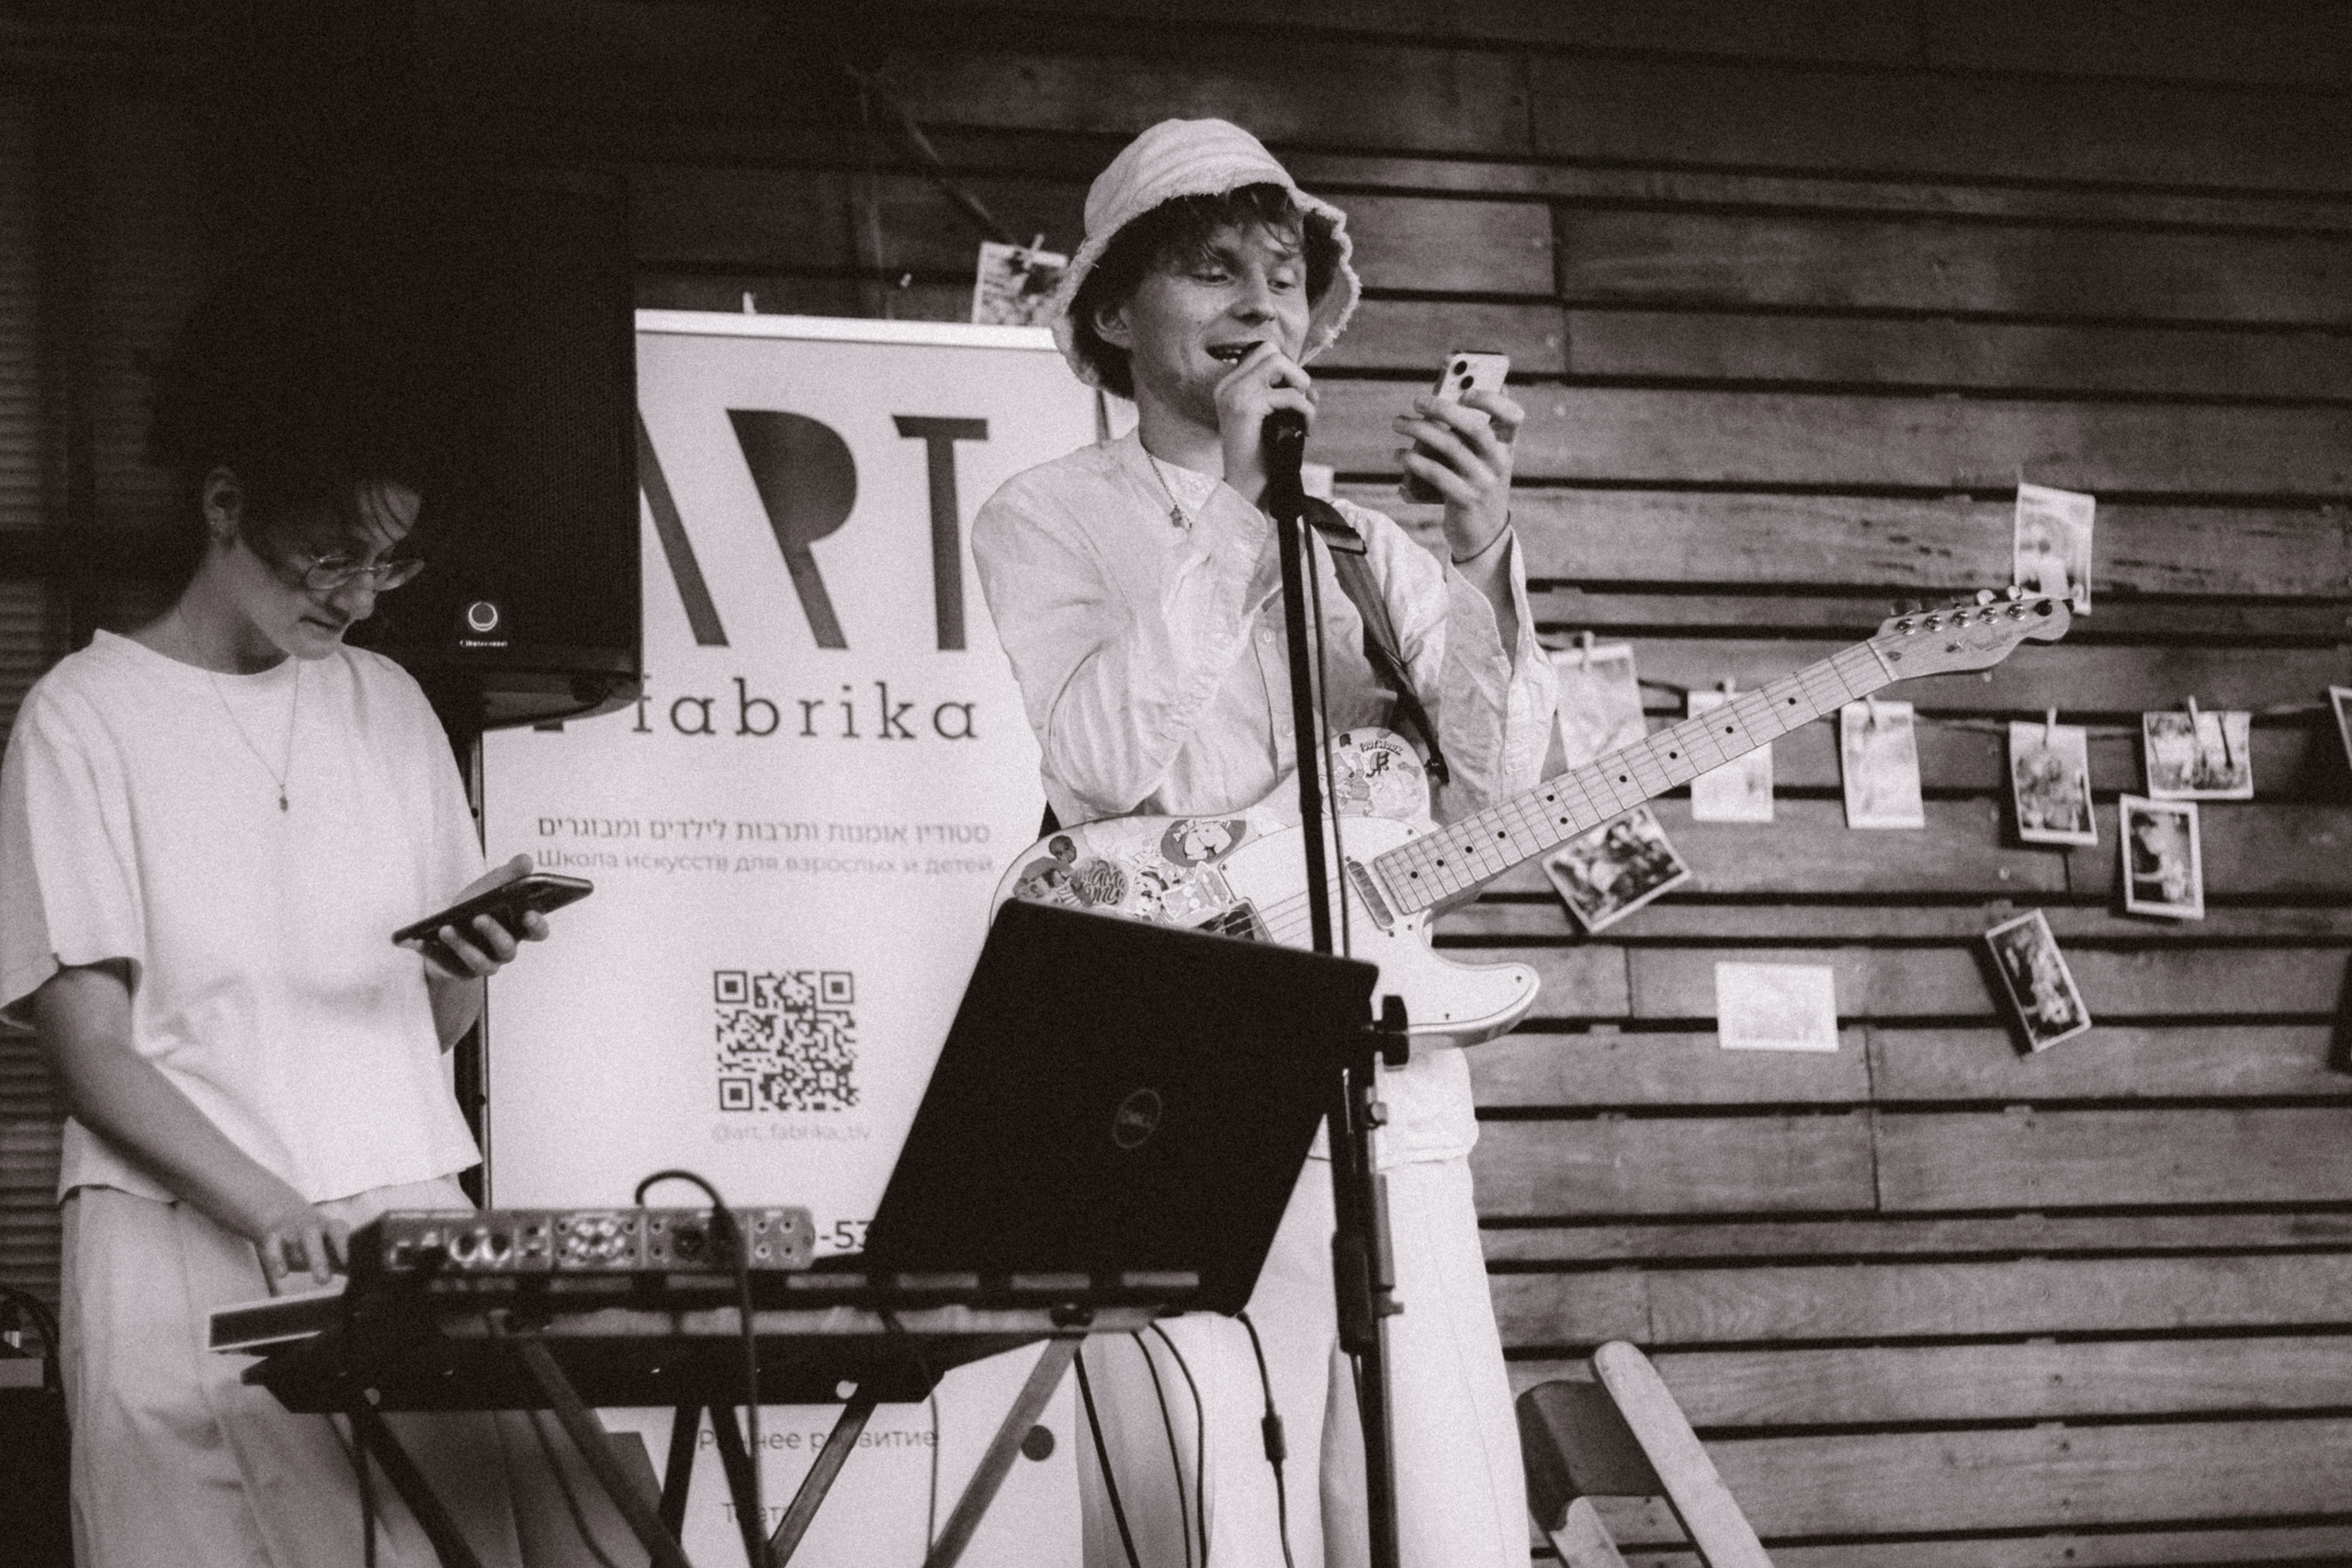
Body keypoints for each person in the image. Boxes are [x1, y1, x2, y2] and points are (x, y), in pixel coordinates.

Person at [971, 118, 1557, 1568]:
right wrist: (1236, 511)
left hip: (1386, 1077)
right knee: (1232, 1492)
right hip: (1180, 1066)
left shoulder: (1365, 540)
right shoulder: (1044, 518)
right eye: (1213, 269)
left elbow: (1503, 781)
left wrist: (1482, 559)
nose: (1259, 304)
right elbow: (1096, 762)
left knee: (1432, 1498)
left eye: (1283, 275)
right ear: (1114, 311)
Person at [0, 243, 600, 1567]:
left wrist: (472, 960)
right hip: (178, 1233)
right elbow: (88, 1044)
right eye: (328, 555)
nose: (357, 594)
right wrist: (267, 1204)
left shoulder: (387, 705)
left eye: (388, 562)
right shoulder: (84, 719)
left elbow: (420, 1033)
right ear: (224, 503)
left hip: (393, 1218)